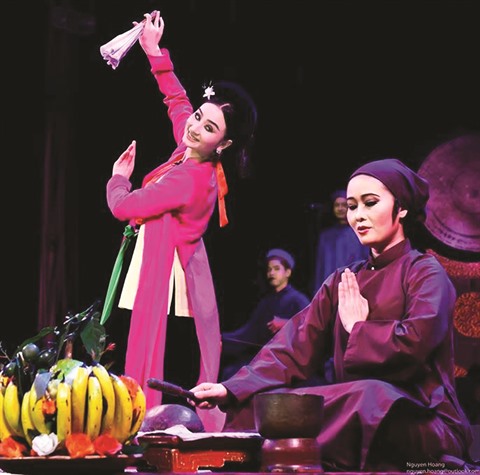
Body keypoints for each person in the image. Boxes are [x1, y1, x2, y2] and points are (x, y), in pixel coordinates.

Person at [189, 158, 476, 471]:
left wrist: (359, 328)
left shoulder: (426, 273)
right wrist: (232, 388)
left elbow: (416, 344)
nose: (358, 215)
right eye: (352, 206)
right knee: (271, 402)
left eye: (370, 203)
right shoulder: (344, 279)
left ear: (402, 208)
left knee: (371, 396)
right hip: (355, 406)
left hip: (421, 417)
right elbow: (293, 346)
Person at [105, 10, 257, 431]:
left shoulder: (190, 178)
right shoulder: (190, 153)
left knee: (160, 364)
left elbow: (125, 207)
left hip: (167, 283)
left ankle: (148, 430)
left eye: (208, 127)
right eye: (199, 117)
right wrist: (154, 52)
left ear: (223, 143)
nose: (194, 127)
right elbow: (178, 103)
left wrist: (118, 179)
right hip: (161, 267)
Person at [220, 248, 310, 381]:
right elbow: (247, 333)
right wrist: (222, 339)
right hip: (267, 359)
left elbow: (311, 327)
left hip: (290, 363)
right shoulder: (266, 302)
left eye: (276, 268)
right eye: (269, 269)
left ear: (288, 272)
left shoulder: (298, 300)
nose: (271, 272)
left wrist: (287, 324)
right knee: (231, 373)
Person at [312, 188, 369, 294]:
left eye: (344, 205)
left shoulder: (359, 232)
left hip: (354, 286)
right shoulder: (326, 236)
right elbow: (320, 266)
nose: (340, 208)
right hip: (330, 287)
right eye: (337, 205)